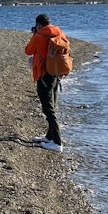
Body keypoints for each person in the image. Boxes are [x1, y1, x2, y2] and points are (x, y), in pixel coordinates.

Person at [24, 13, 66, 152]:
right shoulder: (58, 32)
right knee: (52, 105)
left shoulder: (39, 36)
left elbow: (28, 51)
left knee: (48, 109)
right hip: (55, 72)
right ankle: (50, 136)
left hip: (43, 75)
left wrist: (35, 35)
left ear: (39, 25)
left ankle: (58, 142)